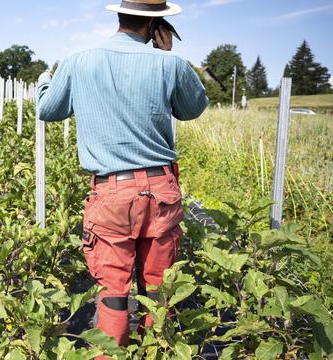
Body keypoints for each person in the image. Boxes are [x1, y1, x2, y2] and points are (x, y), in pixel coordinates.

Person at [36, 0, 209, 347]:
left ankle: (113, 355)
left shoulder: (78, 61)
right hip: (161, 189)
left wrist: (44, 80)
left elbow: (47, 110)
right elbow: (193, 109)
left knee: (113, 291)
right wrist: (167, 55)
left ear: (120, 16)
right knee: (159, 288)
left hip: (112, 192)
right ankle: (157, 351)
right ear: (156, 26)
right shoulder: (171, 63)